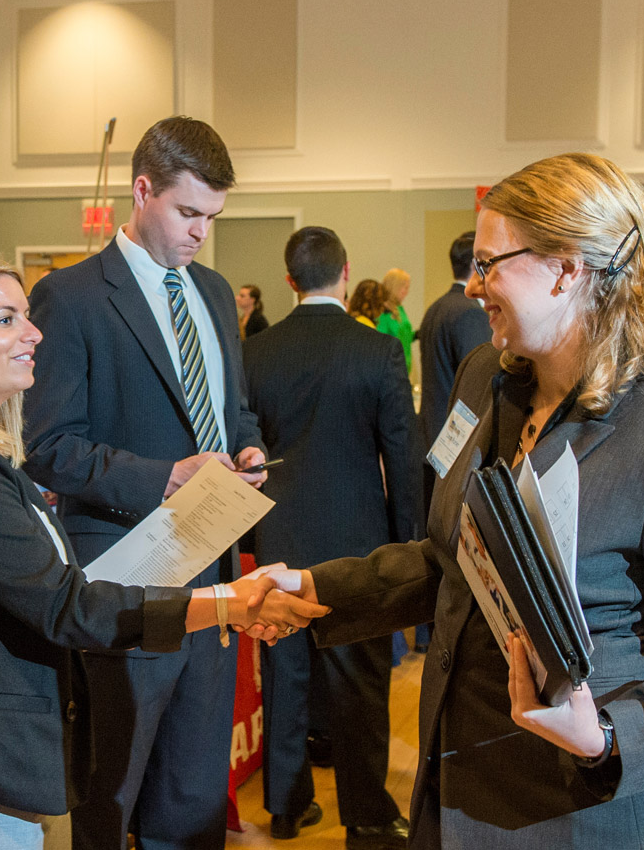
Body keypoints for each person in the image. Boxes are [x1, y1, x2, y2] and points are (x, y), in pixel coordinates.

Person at [248, 153, 644, 849]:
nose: (471, 286)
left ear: (569, 268)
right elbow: (457, 562)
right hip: (460, 793)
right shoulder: (487, 382)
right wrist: (318, 588)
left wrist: (605, 737)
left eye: (489, 263)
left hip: (595, 820)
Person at [0, 253, 319, 850]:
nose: (33, 334)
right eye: (6, 320)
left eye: (26, 317)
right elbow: (70, 607)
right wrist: (224, 602)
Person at [21, 116, 272, 850]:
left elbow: (235, 413)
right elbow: (47, 448)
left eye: (212, 218)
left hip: (212, 580)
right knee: (113, 795)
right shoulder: (69, 297)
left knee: (194, 797)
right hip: (126, 584)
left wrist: (248, 450)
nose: (201, 233)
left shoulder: (218, 294)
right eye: (188, 212)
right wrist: (165, 476)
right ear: (142, 191)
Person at [242, 227, 414, 848]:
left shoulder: (256, 352)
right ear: (346, 272)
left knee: (283, 672)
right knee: (360, 681)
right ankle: (366, 813)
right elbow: (401, 455)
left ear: (290, 281)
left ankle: (287, 808)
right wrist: (410, 548)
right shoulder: (377, 352)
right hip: (358, 539)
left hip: (280, 531)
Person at [416, 231, 492, 455]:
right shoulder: (470, 312)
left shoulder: (436, 307)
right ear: (474, 264)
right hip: (455, 441)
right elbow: (480, 382)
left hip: (432, 432)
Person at [375, 268, 416, 374]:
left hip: (404, 368)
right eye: (405, 288)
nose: (407, 292)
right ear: (395, 286)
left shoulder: (399, 309)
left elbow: (404, 336)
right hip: (390, 370)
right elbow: (380, 340)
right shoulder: (383, 310)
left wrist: (417, 335)